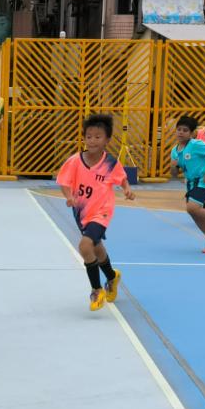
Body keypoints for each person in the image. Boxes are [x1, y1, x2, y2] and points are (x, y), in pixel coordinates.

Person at [56, 113, 135, 311]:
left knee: (85, 246)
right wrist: (69, 196)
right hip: (82, 212)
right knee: (96, 248)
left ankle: (96, 289)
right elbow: (64, 182)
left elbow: (121, 178)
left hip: (102, 212)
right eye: (89, 136)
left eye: (98, 137)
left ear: (107, 140)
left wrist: (126, 189)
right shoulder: (75, 161)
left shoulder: (110, 163)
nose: (92, 140)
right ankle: (112, 277)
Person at [170, 116, 205, 254]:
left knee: (191, 207)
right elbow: (174, 174)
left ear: (191, 133)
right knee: (194, 213)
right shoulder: (174, 151)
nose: (181, 132)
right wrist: (173, 167)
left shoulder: (195, 144)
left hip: (204, 181)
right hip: (191, 184)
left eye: (185, 130)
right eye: (179, 129)